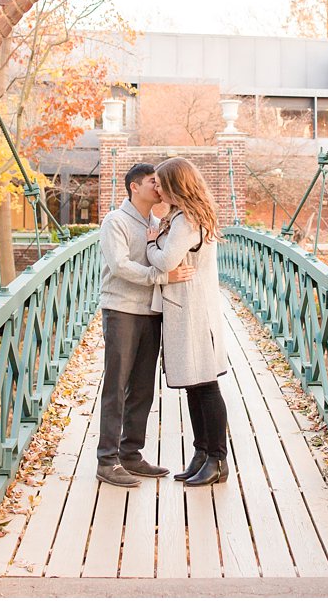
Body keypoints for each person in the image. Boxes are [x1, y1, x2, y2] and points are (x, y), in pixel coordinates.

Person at [94, 163, 193, 487]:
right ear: (135, 187)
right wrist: (160, 276)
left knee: (142, 388)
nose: (159, 187)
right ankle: (107, 460)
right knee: (116, 387)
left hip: (151, 311)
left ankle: (131, 455)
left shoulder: (158, 224)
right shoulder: (115, 221)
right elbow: (119, 266)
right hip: (121, 309)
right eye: (154, 181)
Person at [146, 157, 231, 487]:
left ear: (175, 186)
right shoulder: (187, 216)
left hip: (193, 312)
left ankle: (218, 460)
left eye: (161, 183)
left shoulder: (185, 221)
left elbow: (166, 260)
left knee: (206, 386)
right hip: (193, 309)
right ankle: (202, 453)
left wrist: (152, 239)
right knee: (196, 386)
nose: (157, 188)